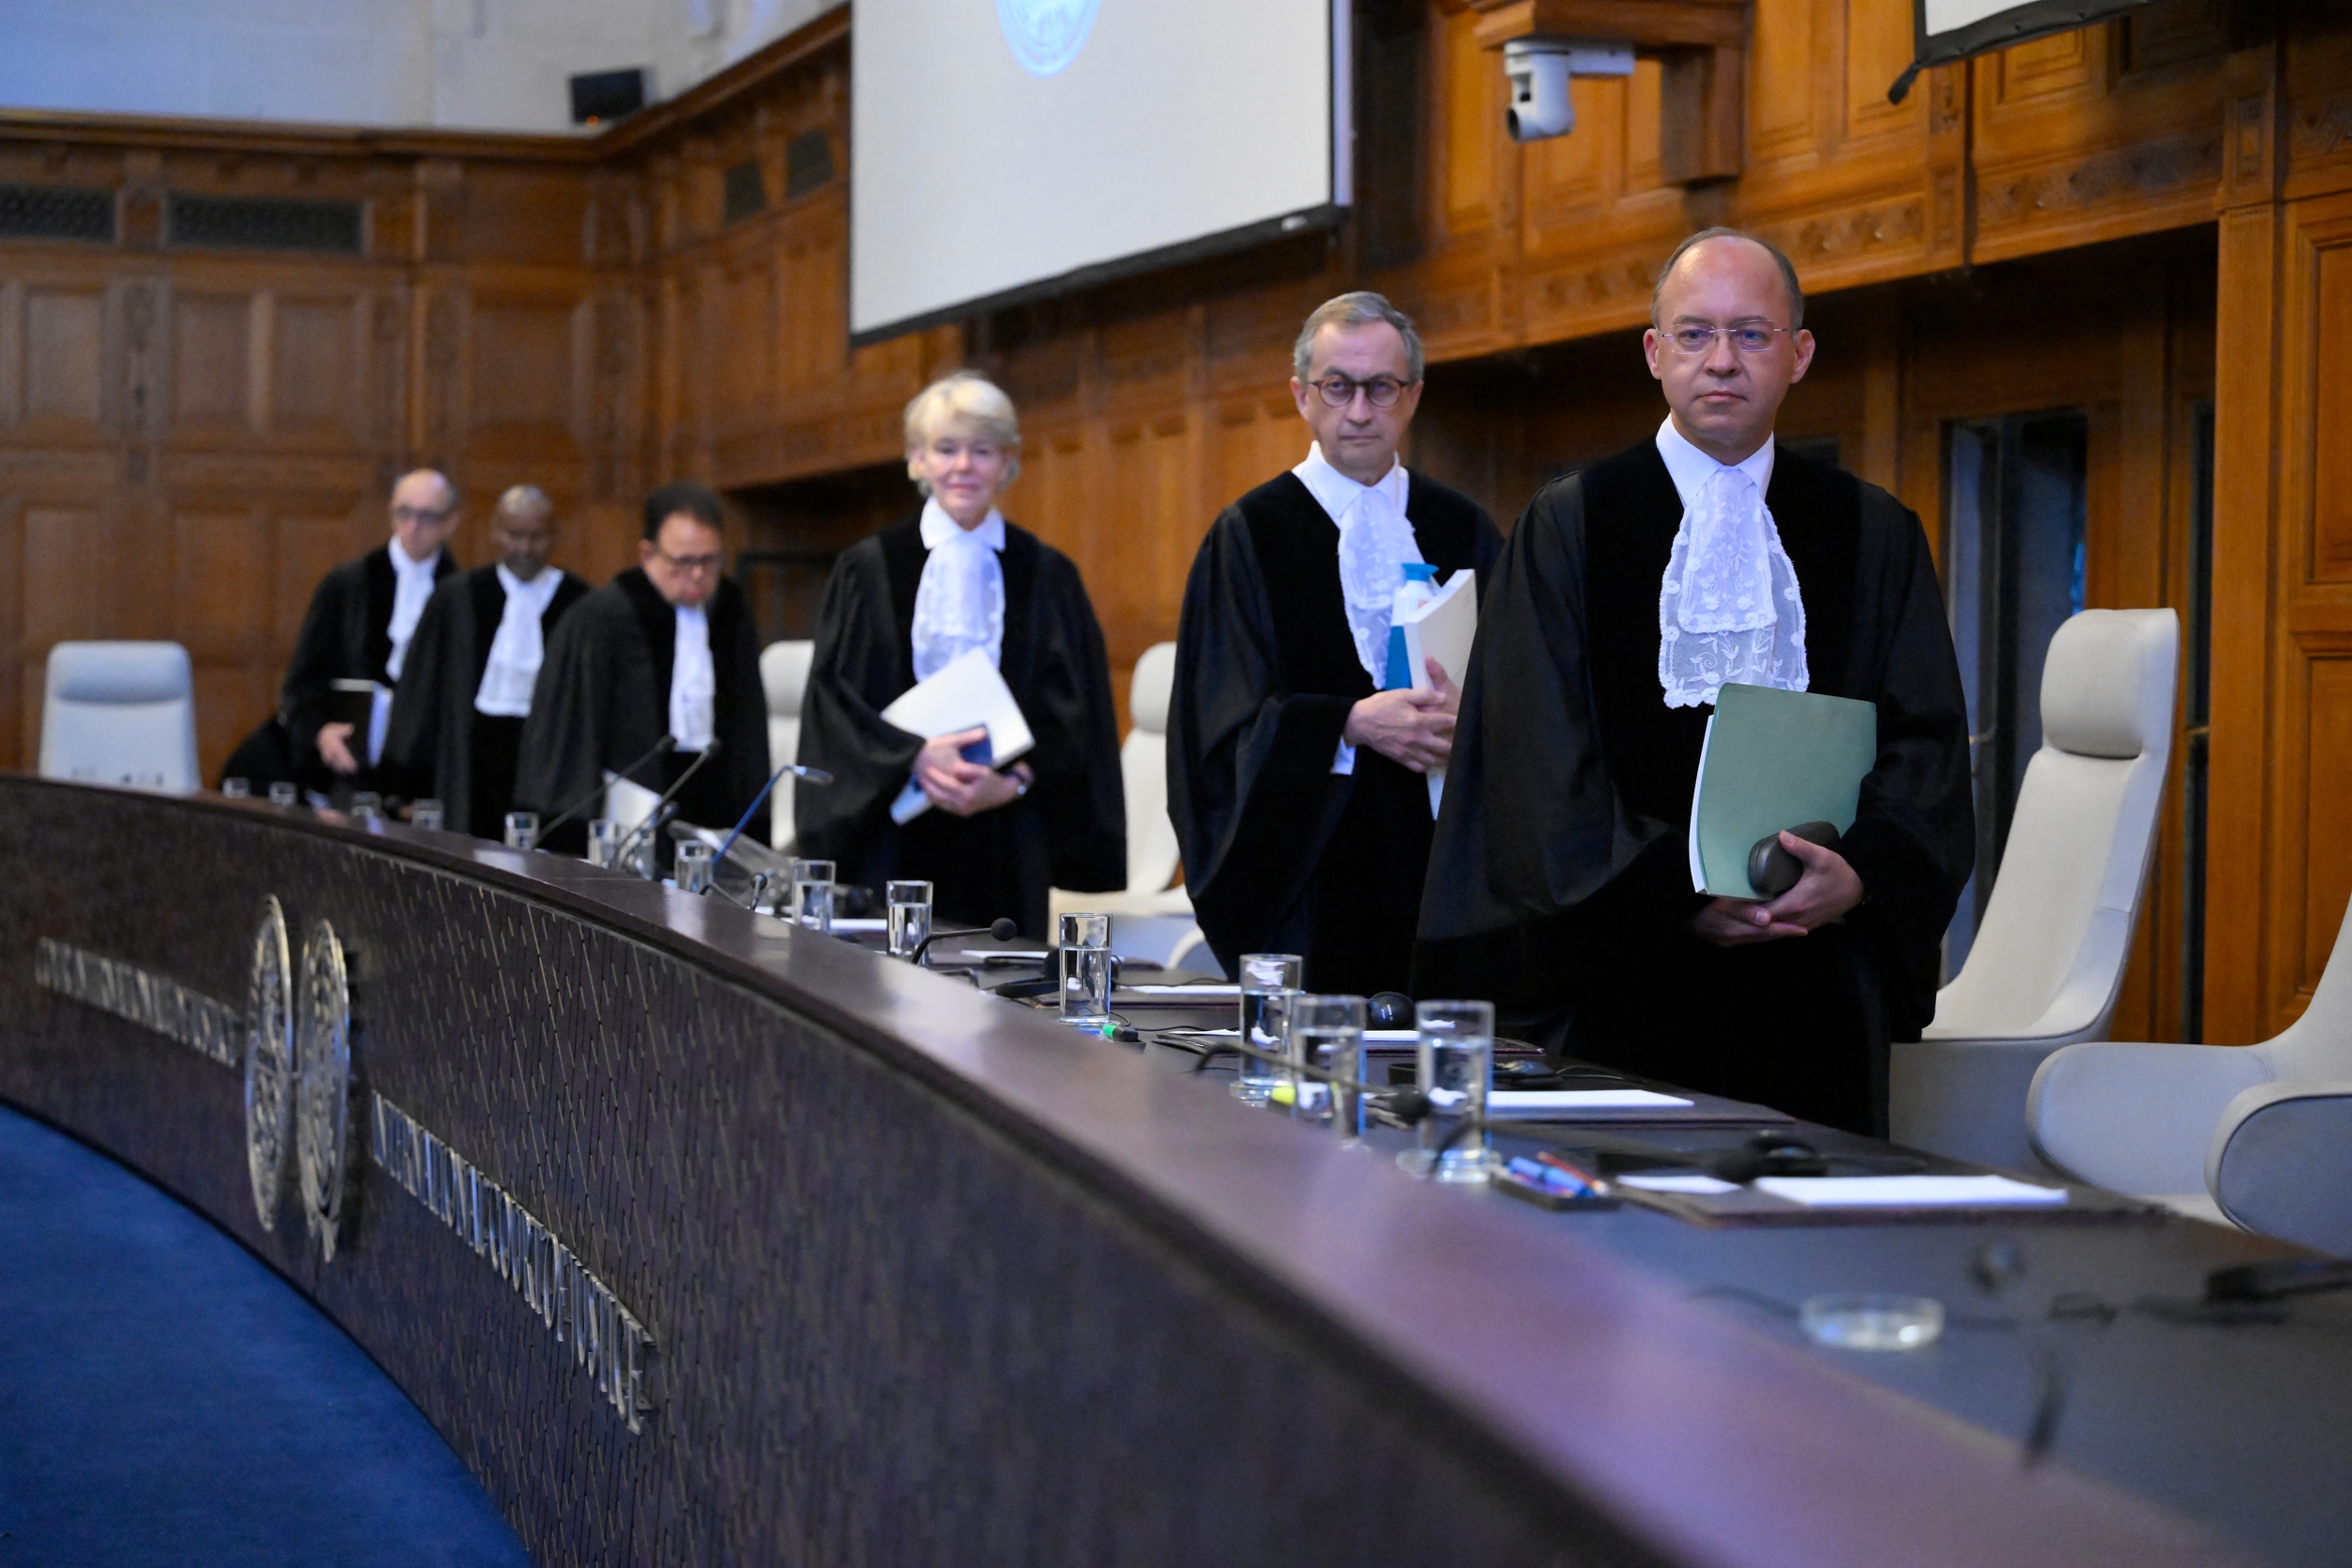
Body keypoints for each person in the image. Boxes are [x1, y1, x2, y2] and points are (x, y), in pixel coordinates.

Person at [1415, 229, 1974, 1136]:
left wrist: (1861, 875)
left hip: (1813, 980)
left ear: (1800, 354)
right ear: (1654, 353)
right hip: (1616, 982)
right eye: (1694, 335)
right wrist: (1673, 895)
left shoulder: (1872, 533)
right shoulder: (1572, 526)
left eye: (1753, 335)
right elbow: (1534, 768)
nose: (1722, 361)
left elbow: (1927, 750)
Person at [1168, 293, 1502, 994]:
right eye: (1337, 387)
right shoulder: (1251, 535)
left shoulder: (1463, 528)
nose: (1359, 410)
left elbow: (1524, 694)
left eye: (1380, 388)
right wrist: (1345, 725)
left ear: (1411, 397)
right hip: (1313, 888)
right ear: (1302, 396)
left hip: (1441, 879)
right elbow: (1215, 732)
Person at [793, 372, 1124, 940]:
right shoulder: (868, 568)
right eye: (946, 450)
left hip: (1005, 829)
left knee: (997, 1002)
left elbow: (1073, 713)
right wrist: (913, 757)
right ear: (918, 459)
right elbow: (836, 702)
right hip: (893, 824)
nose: (963, 466)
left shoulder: (1045, 573)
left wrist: (1013, 780)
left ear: (1008, 462)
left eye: (982, 450)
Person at [515, 483, 771, 857]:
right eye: (683, 562)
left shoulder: (731, 611)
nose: (698, 574)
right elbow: (574, 734)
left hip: (713, 799)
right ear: (647, 553)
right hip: (632, 807)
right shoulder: (603, 615)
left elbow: (749, 728)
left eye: (710, 561)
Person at [381, 485, 591, 835]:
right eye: (514, 535)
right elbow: (420, 697)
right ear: (495, 531)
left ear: (555, 535)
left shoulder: (580, 603)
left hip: (546, 765)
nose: (524, 548)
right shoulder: (457, 596)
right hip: (471, 762)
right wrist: (404, 782)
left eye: (536, 537)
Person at [277, 469, 463, 799]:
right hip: (349, 769)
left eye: (428, 516)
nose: (414, 526)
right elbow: (302, 683)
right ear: (391, 514)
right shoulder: (347, 585)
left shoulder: (463, 596)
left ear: (451, 522)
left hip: (429, 777)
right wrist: (321, 731)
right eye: (404, 513)